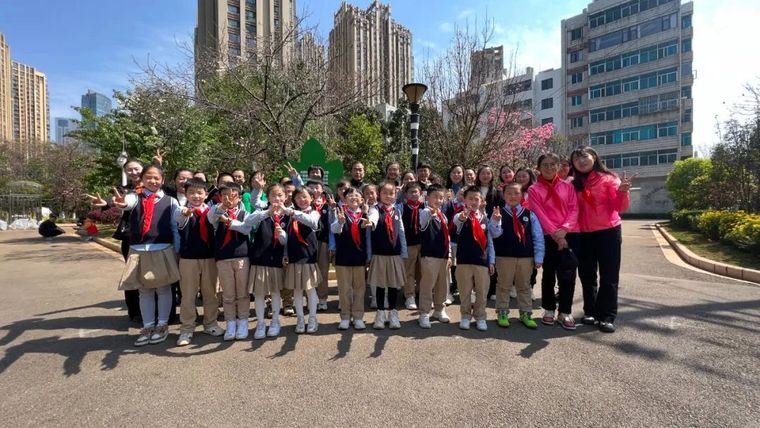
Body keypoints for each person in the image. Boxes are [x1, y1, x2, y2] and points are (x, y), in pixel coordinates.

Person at [114, 164, 181, 346]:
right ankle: (148, 326)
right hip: (139, 250)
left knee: (164, 289)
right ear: (142, 180)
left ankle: (162, 325)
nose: (152, 181)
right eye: (148, 177)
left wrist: (177, 250)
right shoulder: (134, 197)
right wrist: (121, 203)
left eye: (156, 178)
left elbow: (175, 227)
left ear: (162, 180)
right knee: (144, 290)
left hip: (162, 248)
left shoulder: (171, 201)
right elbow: (126, 203)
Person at [570, 146, 632, 333]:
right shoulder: (573, 183)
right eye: (576, 159)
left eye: (584, 156)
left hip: (608, 232)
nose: (581, 161)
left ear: (594, 157)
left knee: (609, 275)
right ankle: (590, 311)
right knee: (587, 275)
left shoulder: (609, 178)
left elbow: (620, 207)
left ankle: (607, 316)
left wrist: (622, 192)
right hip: (584, 234)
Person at [528, 153, 580, 331]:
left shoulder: (568, 187)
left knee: (568, 274)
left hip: (569, 234)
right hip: (547, 236)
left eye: (552, 164)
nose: (549, 168)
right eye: (545, 165)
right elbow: (539, 213)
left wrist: (564, 229)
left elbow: (574, 209)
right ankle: (549, 308)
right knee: (549, 274)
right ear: (539, 168)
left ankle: (565, 311)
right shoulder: (534, 189)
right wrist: (556, 234)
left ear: (558, 167)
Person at [231, 184, 288, 339]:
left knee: (275, 292)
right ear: (268, 198)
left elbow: (285, 242)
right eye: (273, 195)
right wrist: (267, 212)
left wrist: (282, 235)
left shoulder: (287, 214)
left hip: (276, 259)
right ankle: (261, 323)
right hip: (259, 258)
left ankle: (275, 321)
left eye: (280, 195)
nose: (277, 198)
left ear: (285, 197)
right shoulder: (261, 212)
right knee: (259, 293)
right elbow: (248, 221)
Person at [174, 178, 223, 346]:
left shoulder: (210, 211)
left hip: (209, 258)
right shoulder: (181, 210)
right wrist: (185, 212)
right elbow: (179, 217)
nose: (196, 196)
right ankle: (186, 329)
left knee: (210, 294)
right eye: (192, 193)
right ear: (186, 194)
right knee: (188, 296)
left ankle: (211, 324)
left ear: (206, 194)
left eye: (199, 193)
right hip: (188, 259)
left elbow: (216, 213)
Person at [490, 182, 544, 329]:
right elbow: (494, 234)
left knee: (524, 286)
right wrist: (495, 221)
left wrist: (539, 257)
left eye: (516, 193)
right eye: (509, 193)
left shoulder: (530, 215)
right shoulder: (498, 213)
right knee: (503, 285)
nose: (512, 196)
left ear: (522, 196)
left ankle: (525, 313)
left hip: (526, 257)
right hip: (504, 257)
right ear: (503, 195)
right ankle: (502, 312)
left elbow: (538, 237)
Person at [208, 182, 251, 341]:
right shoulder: (216, 212)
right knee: (228, 294)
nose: (228, 198)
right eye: (224, 195)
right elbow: (210, 218)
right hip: (223, 258)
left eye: (232, 195)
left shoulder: (244, 213)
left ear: (239, 198)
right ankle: (230, 323)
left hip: (241, 257)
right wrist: (221, 208)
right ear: (219, 197)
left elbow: (246, 228)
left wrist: (228, 222)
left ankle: (243, 321)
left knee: (242, 293)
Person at [452, 185, 496, 331]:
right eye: (470, 199)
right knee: (465, 291)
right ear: (464, 200)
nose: (473, 202)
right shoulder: (460, 216)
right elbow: (457, 221)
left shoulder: (485, 218)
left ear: (481, 201)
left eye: (476, 199)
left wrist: (491, 261)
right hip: (464, 260)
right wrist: (462, 217)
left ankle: (480, 316)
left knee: (482, 292)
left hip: (481, 261)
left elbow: (490, 242)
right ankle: (465, 316)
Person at [367, 182, 408, 330]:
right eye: (384, 193)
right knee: (380, 285)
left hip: (395, 255)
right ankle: (380, 314)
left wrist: (404, 252)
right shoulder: (375, 209)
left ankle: (393, 313)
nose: (388, 196)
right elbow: (373, 219)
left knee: (393, 286)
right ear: (379, 194)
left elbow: (401, 232)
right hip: (379, 254)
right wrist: (371, 222)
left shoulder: (397, 211)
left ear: (395, 195)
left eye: (391, 193)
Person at [283, 187, 322, 334]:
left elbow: (311, 222)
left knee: (310, 290)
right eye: (298, 197)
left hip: (308, 258)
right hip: (294, 258)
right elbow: (286, 237)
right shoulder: (290, 215)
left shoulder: (314, 213)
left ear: (311, 198)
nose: (301, 200)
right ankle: (300, 319)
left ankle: (312, 318)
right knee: (297, 291)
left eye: (305, 196)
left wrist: (293, 213)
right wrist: (285, 253)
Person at [331, 187, 371, 330]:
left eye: (356, 195)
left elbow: (368, 238)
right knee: (344, 289)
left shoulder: (365, 214)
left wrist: (369, 256)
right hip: (343, 257)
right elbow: (334, 229)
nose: (353, 197)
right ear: (345, 199)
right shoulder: (340, 212)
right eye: (350, 195)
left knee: (359, 288)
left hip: (359, 257)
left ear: (361, 200)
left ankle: (358, 316)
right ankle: (345, 316)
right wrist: (340, 222)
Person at [417, 184, 452, 328]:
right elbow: (423, 221)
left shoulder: (443, 216)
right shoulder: (424, 212)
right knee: (427, 285)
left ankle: (439, 309)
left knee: (443, 285)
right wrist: (430, 214)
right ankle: (424, 313)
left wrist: (450, 255)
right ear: (427, 198)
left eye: (441, 198)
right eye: (435, 197)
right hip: (429, 256)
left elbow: (447, 236)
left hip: (443, 256)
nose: (438, 200)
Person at [308, 180, 334, 313]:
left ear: (322, 189)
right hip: (307, 242)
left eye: (317, 187)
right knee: (308, 271)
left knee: (323, 271)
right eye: (311, 187)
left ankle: (322, 299)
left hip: (323, 241)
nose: (314, 189)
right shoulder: (306, 204)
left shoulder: (328, 205)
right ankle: (310, 299)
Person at [401, 181, 424, 311]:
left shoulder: (425, 207)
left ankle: (421, 293)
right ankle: (409, 295)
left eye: (416, 192)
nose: (414, 194)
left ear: (420, 193)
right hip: (409, 244)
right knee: (408, 270)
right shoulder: (402, 208)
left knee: (423, 270)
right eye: (411, 192)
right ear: (406, 194)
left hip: (423, 243)